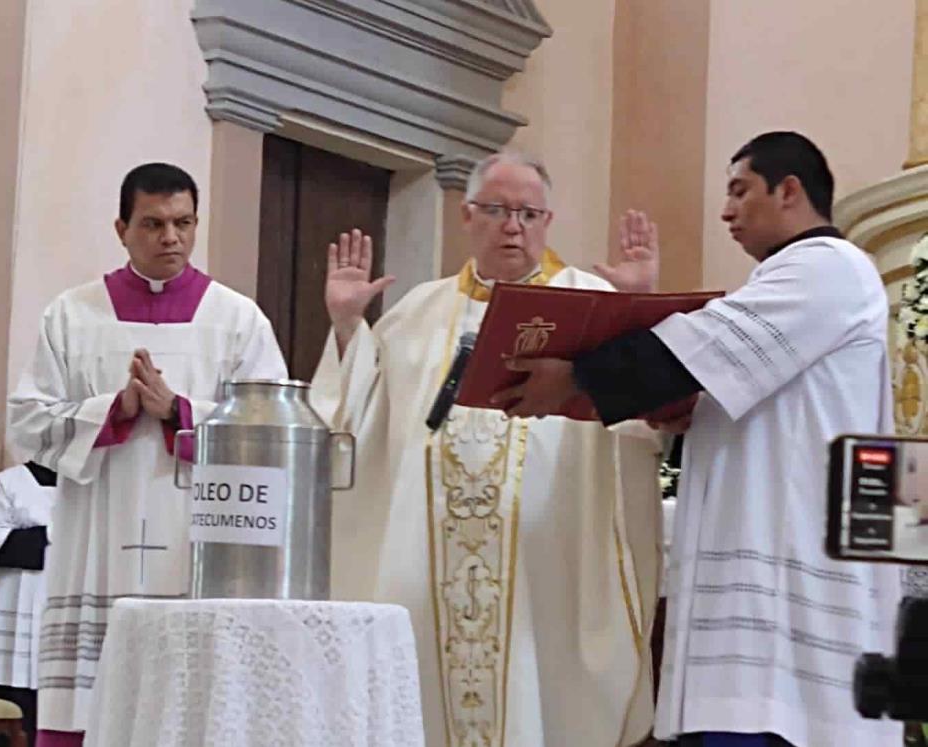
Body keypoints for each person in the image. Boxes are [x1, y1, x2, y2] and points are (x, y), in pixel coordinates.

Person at [496, 132, 902, 747]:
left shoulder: (828, 268)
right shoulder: (794, 279)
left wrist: (575, 376)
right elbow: (728, 383)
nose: (726, 211)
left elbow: (704, 346)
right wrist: (683, 406)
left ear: (789, 190)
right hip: (763, 602)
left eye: (740, 190)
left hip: (785, 614)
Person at [310, 151, 666, 746]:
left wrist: (636, 314)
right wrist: (349, 327)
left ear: (548, 222)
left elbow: (640, 424)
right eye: (498, 210)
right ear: (468, 216)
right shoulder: (418, 312)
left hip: (544, 561)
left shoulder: (589, 304)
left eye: (529, 213)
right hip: (428, 566)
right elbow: (354, 427)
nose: (513, 226)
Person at [7, 162, 287, 746]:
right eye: (154, 224)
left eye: (184, 223)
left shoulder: (237, 319)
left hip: (200, 538)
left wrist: (180, 412)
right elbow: (27, 422)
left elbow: (272, 434)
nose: (172, 238)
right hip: (96, 534)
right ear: (121, 228)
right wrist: (116, 411)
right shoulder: (71, 315)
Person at [0, 461, 58, 747]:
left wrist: (46, 536)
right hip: (14, 612)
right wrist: (56, 535)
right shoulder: (7, 483)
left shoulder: (88, 486)